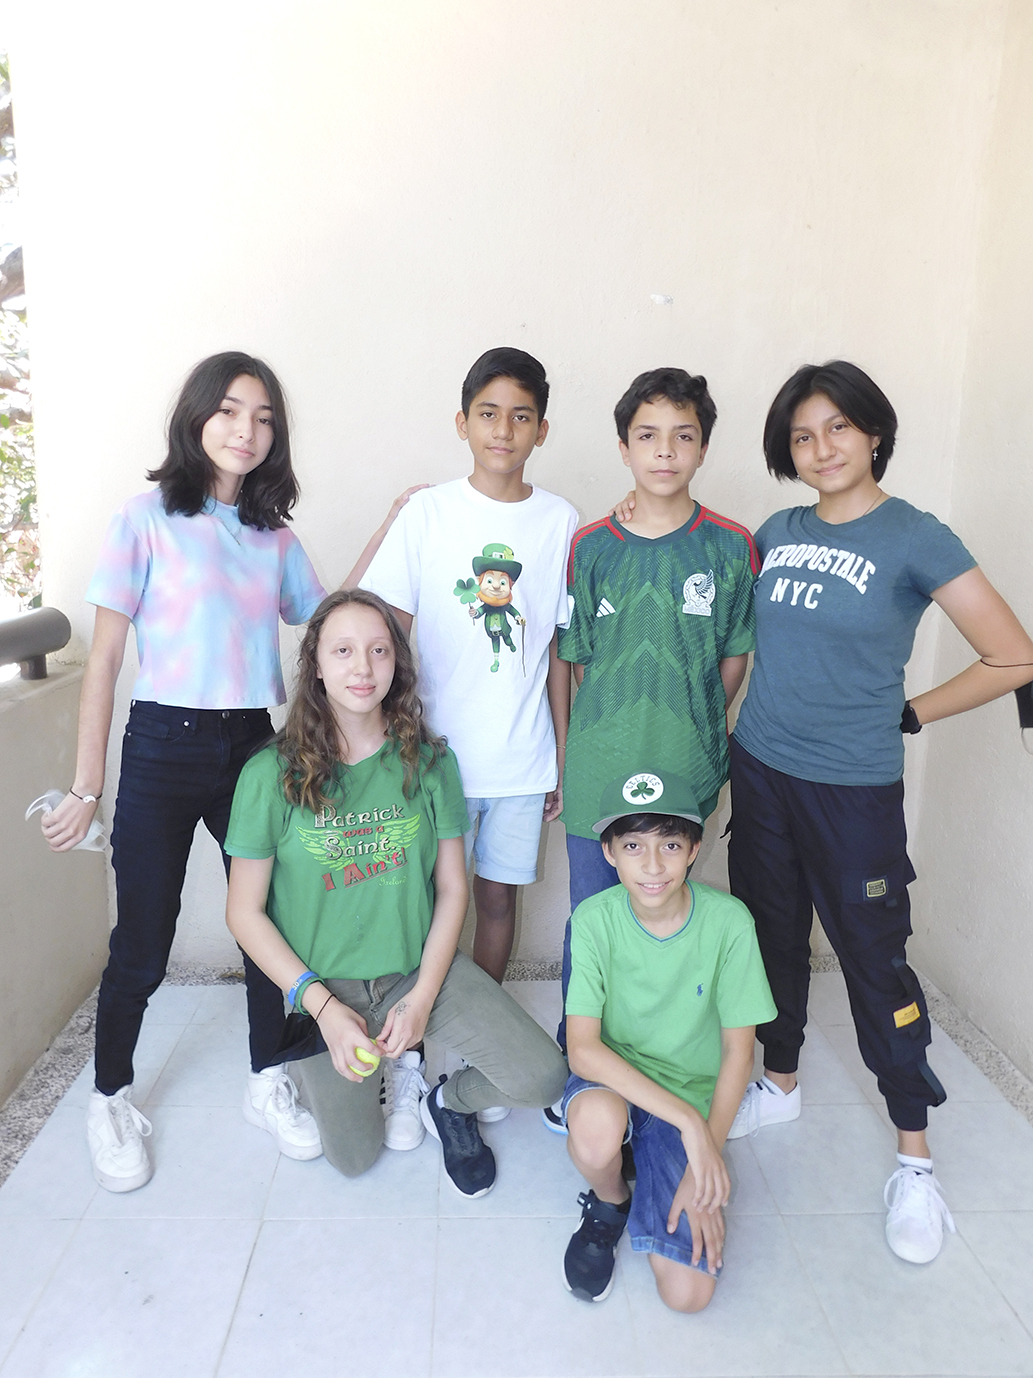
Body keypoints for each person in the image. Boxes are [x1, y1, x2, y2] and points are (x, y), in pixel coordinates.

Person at [726, 360, 1033, 1264]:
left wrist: (911, 712)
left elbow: (1013, 656)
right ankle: (778, 1083)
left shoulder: (914, 535)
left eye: (837, 427)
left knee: (872, 961)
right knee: (769, 936)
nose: (820, 448)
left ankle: (914, 1158)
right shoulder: (775, 532)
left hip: (852, 790)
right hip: (761, 769)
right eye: (801, 435)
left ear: (872, 434)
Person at [41, 352, 329, 1192]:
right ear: (197, 416)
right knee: (142, 940)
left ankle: (267, 1077)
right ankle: (109, 1098)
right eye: (230, 410)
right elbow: (102, 663)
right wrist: (87, 787)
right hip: (162, 745)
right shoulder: (143, 520)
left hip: (253, 747)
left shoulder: (274, 536)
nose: (246, 430)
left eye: (264, 417)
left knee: (268, 923)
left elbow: (331, 620)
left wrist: (392, 528)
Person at [224, 588, 568, 1191]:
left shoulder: (430, 763)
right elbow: (243, 913)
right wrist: (323, 1010)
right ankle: (323, 1063)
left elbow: (453, 889)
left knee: (543, 1077)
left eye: (379, 650)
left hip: (415, 971)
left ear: (397, 664)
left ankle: (444, 1100)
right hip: (326, 987)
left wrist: (423, 996)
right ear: (316, 665)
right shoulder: (268, 774)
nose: (362, 667)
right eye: (343, 650)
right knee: (354, 1158)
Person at [547, 368, 757, 1104]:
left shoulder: (730, 546)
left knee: (667, 925)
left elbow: (733, 657)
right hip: (597, 768)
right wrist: (573, 753)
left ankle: (662, 1072)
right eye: (647, 435)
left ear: (702, 448)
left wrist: (693, 722)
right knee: (591, 922)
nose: (664, 450)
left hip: (686, 767)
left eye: (682, 435)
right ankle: (584, 1078)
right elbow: (571, 659)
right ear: (623, 447)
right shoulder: (589, 545)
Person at [354, 347, 578, 1001]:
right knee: (423, 902)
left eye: (521, 416)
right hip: (430, 758)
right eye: (487, 413)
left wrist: (562, 752)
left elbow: (558, 650)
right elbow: (383, 633)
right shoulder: (428, 513)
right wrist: (380, 740)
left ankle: (482, 1027)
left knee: (497, 901)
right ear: (462, 423)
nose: (503, 430)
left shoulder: (560, 521)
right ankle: (415, 1029)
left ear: (542, 430)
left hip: (520, 759)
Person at [561, 769, 776, 1309]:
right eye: (633, 846)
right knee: (595, 1129)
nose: (653, 865)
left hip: (687, 1091)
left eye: (671, 845)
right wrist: (690, 1127)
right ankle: (611, 1200)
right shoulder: (592, 920)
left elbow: (739, 1051)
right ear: (609, 853)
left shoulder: (730, 923)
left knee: (688, 1295)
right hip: (616, 1080)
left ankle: (652, 1159)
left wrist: (707, 1148)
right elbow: (583, 1049)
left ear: (694, 850)